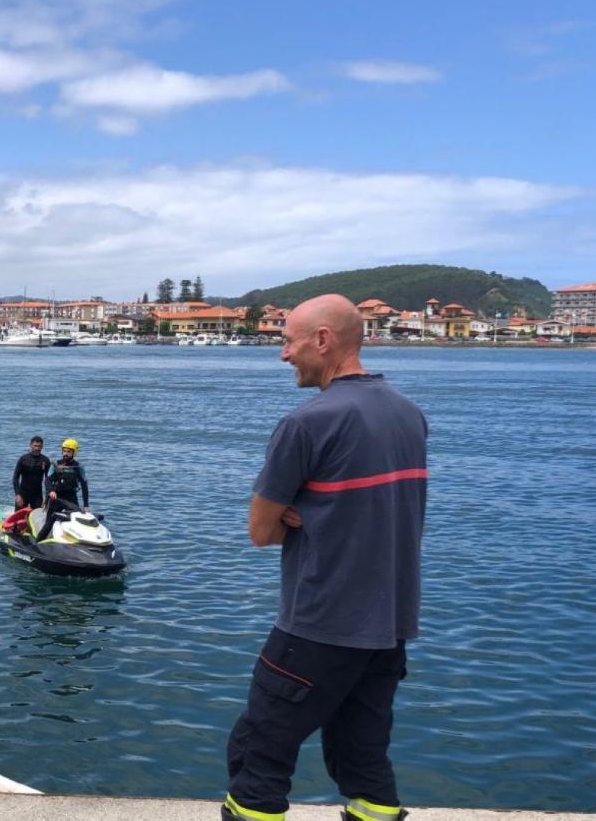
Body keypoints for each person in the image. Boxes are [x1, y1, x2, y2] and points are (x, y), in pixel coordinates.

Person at [222, 294, 428, 821]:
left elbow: (261, 532)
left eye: (288, 342)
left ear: (322, 340)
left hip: (318, 625)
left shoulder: (307, 423)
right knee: (363, 757)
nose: (283, 355)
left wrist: (294, 508)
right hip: (389, 627)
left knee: (259, 755)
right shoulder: (408, 415)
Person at [34, 438, 90, 541]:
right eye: (64, 451)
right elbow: (47, 480)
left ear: (74, 452)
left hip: (71, 499)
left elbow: (84, 486)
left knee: (77, 522)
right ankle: (36, 544)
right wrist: (51, 490)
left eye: (68, 452)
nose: (65, 454)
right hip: (57, 499)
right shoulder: (55, 465)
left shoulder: (78, 467)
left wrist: (86, 505)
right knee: (48, 524)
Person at [12, 435, 51, 509]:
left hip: (37, 495)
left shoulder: (45, 460)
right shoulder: (23, 459)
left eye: (39, 446)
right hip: (23, 494)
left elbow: (48, 480)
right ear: (31, 445)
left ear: (42, 447)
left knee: (38, 517)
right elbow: (15, 478)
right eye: (35, 446)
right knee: (18, 518)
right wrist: (17, 495)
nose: (37, 448)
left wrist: (46, 498)